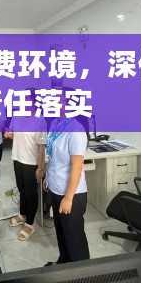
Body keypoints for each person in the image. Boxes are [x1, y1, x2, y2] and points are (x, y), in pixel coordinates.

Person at [44, 87, 90, 264]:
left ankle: (82, 272)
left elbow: (77, 167)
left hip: (71, 193)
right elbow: (53, 156)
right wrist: (48, 177)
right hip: (56, 187)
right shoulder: (55, 123)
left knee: (74, 237)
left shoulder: (76, 130)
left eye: (58, 100)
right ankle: (64, 263)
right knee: (61, 233)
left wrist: (68, 197)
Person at [4, 88, 47, 241]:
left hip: (31, 162)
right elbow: (12, 131)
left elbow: (41, 146)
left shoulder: (39, 120)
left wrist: (40, 168)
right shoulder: (16, 115)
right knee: (21, 189)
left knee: (31, 193)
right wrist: (9, 133)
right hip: (17, 158)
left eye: (27, 99)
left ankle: (30, 223)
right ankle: (23, 214)